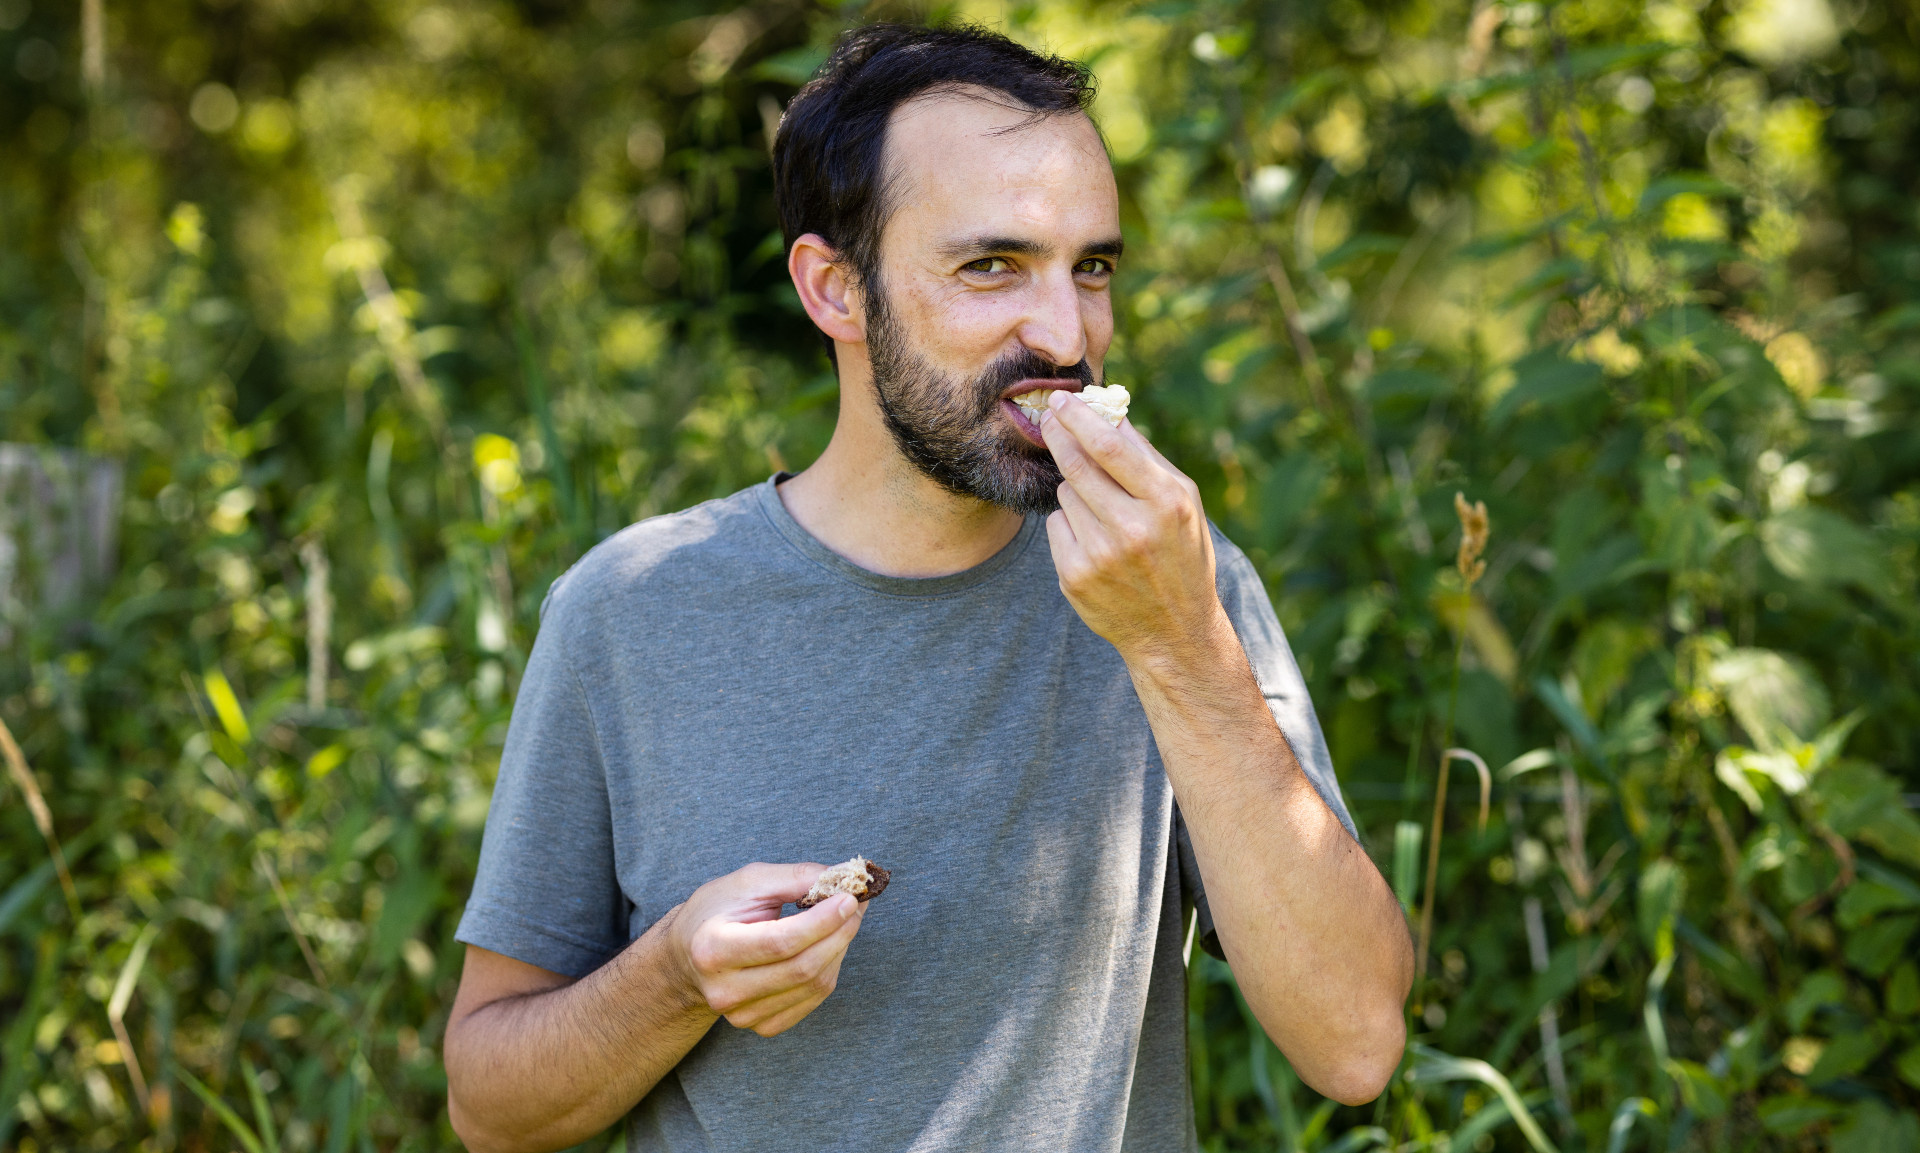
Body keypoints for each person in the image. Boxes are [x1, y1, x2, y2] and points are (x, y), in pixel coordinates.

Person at [443, 23, 1411, 1153]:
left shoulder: (1177, 584)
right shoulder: (631, 611)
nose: (1066, 334)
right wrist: (673, 978)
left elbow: (1354, 1043)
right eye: (991, 265)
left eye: (1090, 267)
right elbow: (490, 1108)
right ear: (835, 290)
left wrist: (1180, 647)